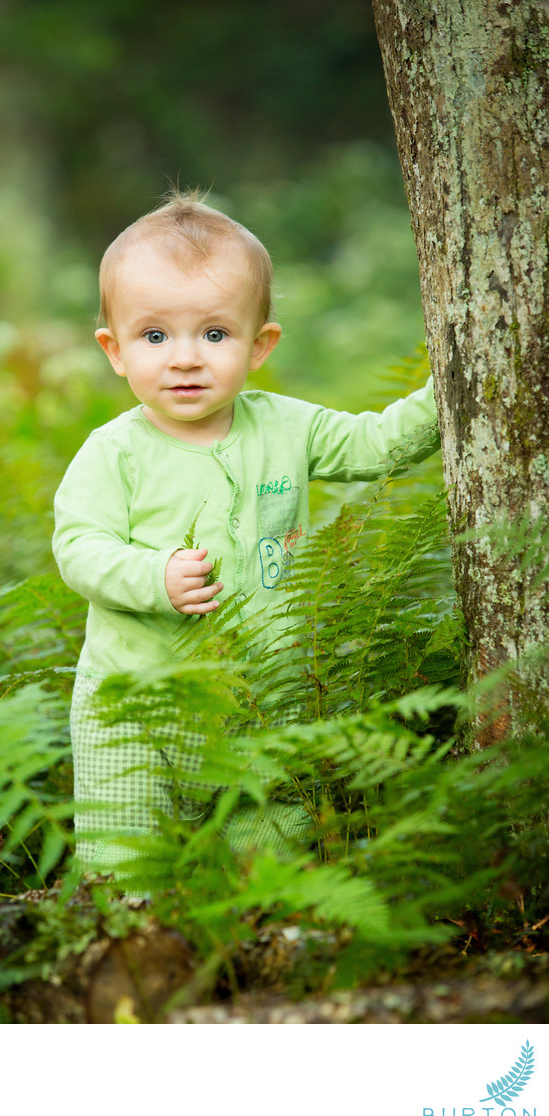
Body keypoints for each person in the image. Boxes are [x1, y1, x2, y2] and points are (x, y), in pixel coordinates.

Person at [52, 190, 440, 885]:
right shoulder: (113, 452)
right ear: (113, 350)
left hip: (260, 699)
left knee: (270, 839)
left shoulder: (284, 427)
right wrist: (153, 576)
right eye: (154, 336)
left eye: (214, 334)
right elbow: (78, 545)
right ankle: (127, 962)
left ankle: (264, 944)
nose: (184, 358)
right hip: (133, 707)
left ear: (260, 345)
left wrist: (451, 390)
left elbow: (373, 442)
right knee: (123, 861)